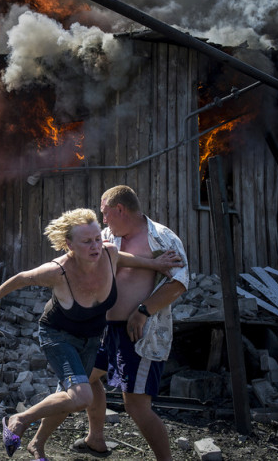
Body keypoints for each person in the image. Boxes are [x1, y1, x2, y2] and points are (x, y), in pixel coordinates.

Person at [0, 208, 182, 460]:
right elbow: (20, 279)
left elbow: (125, 258)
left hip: (91, 338)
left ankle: (59, 442)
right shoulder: (57, 271)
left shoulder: (109, 254)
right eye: (87, 241)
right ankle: (19, 419)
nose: (96, 246)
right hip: (58, 336)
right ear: (69, 244)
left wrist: (155, 263)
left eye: (97, 239)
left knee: (72, 393)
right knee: (80, 396)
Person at [66, 185, 189, 461]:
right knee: (86, 377)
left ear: (119, 209)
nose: (104, 220)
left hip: (139, 333)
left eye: (106, 213)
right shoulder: (107, 236)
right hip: (102, 330)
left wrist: (143, 310)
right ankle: (96, 439)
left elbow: (180, 281)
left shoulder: (162, 238)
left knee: (135, 406)